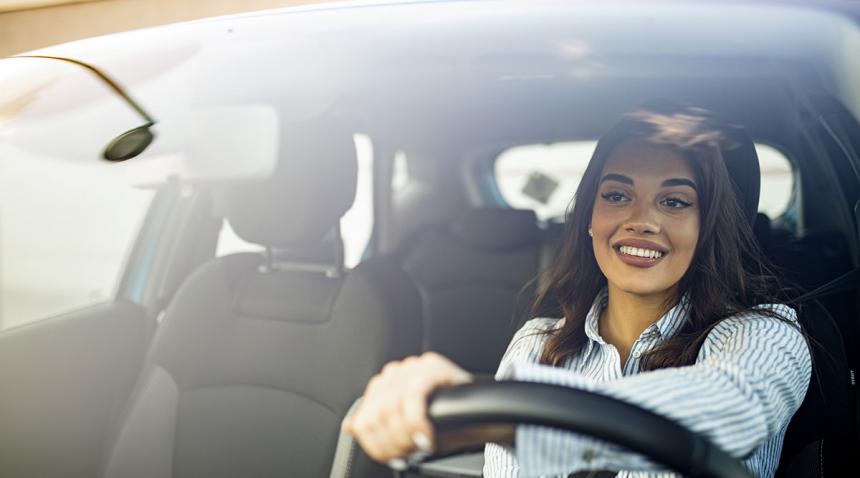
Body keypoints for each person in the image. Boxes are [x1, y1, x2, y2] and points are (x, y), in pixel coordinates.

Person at [342, 103, 812, 478]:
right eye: (617, 195)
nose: (641, 221)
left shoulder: (765, 335)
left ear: (707, 226)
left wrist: (508, 417)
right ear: (589, 217)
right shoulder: (536, 345)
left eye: (674, 201)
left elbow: (734, 409)